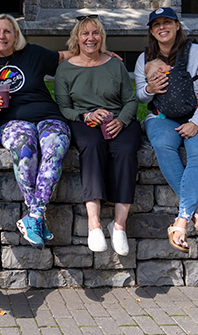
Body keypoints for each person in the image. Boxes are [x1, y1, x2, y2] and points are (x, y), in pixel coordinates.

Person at [135, 7, 198, 253]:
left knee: (197, 152)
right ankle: (196, 211)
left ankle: (182, 221)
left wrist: (195, 122)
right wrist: (149, 89)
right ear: (151, 31)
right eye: (156, 25)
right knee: (163, 145)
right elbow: (140, 97)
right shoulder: (144, 59)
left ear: (177, 26)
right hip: (163, 117)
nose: (162, 28)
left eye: (167, 22)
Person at [0, 13, 71, 249]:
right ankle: (37, 217)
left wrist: (101, 54)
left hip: (48, 115)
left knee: (54, 145)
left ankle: (34, 216)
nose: (2, 36)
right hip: (12, 119)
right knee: (24, 147)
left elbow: (65, 56)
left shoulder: (33, 53)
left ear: (16, 35)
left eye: (7, 31)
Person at [54, 16, 141, 256]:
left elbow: (130, 100)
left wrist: (122, 121)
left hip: (118, 119)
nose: (90, 38)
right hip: (84, 120)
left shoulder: (115, 64)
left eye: (95, 33)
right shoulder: (65, 69)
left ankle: (119, 225)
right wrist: (85, 116)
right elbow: (63, 108)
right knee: (92, 146)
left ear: (101, 37)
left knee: (125, 151)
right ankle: (94, 223)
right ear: (77, 39)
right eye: (85, 34)